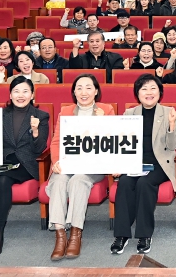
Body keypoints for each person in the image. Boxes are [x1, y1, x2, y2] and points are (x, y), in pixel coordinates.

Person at [0, 77, 49, 258]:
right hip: (0, 160)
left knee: (4, 181)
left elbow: (39, 149)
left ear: (32, 95)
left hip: (24, 163)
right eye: (16, 91)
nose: (20, 95)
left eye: (25, 91)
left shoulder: (41, 116)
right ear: (10, 94)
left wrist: (35, 131)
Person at [110, 75, 176, 255]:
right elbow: (121, 143)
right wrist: (119, 164)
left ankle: (144, 234)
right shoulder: (129, 114)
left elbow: (173, 146)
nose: (149, 93)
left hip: (159, 163)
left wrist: (172, 124)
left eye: (153, 88)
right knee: (125, 183)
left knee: (144, 183)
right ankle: (121, 235)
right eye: (144, 89)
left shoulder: (168, 112)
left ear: (160, 92)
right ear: (137, 94)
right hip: (135, 163)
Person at [47, 74, 114, 261]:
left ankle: (76, 234)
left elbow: (112, 141)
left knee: (78, 180)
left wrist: (103, 122)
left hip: (93, 165)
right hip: (69, 162)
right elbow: (56, 141)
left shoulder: (106, 110)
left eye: (88, 87)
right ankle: (60, 235)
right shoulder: (66, 111)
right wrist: (56, 161)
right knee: (59, 180)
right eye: (79, 88)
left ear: (96, 91)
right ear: (74, 92)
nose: (84, 92)